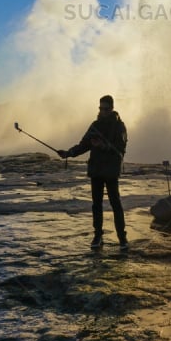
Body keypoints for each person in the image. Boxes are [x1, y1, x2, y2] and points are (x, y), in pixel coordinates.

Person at [57, 95, 128, 250]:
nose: (103, 111)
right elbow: (83, 145)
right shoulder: (94, 126)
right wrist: (68, 153)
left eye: (106, 109)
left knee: (115, 204)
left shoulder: (119, 127)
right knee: (96, 205)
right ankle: (98, 235)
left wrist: (103, 146)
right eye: (101, 108)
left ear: (112, 108)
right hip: (96, 170)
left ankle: (122, 238)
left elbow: (120, 149)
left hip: (111, 171)